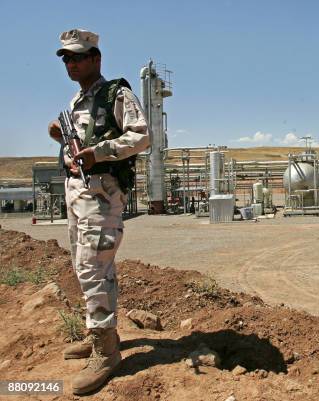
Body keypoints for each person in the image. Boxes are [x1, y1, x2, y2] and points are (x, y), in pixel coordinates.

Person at [48, 28, 150, 395]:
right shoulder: (76, 102)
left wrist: (99, 152)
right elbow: (79, 142)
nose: (71, 64)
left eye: (77, 57)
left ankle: (106, 352)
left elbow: (141, 136)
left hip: (102, 194)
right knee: (84, 265)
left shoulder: (115, 93)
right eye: (66, 59)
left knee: (94, 267)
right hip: (77, 194)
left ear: (96, 58)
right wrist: (61, 135)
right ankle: (99, 334)